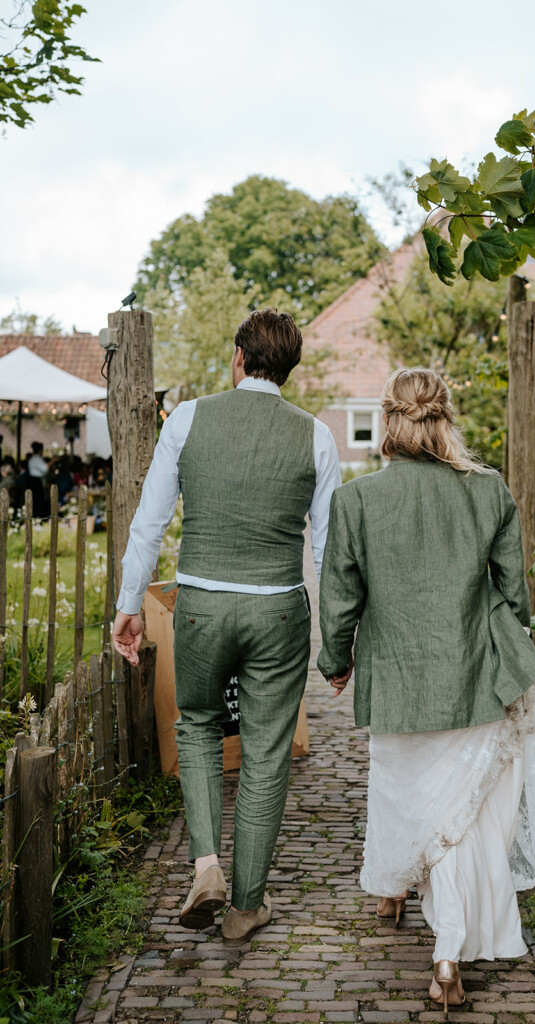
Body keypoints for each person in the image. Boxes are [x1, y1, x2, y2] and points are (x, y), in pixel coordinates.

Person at [317, 367, 535, 1017]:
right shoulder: (488, 492)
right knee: (459, 820)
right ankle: (445, 953)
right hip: (472, 680)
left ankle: (408, 907)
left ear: (388, 421)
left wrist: (334, 661)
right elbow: (515, 598)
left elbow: (340, 601)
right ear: (444, 418)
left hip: (396, 683)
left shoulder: (357, 501)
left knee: (405, 801)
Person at [112, 309, 341, 944]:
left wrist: (130, 604)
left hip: (204, 606)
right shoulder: (317, 437)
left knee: (199, 728)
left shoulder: (186, 419)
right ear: (287, 370)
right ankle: (246, 906)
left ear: (238, 357)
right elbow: (327, 552)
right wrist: (340, 637)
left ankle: (206, 864)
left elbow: (149, 524)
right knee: (267, 752)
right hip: (278, 610)